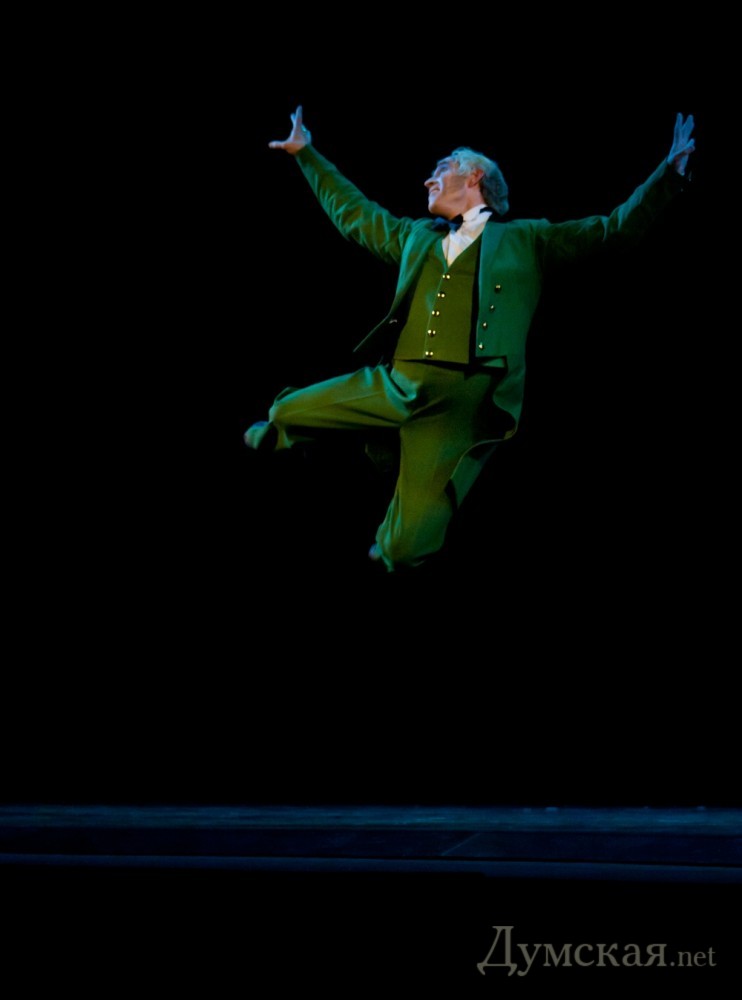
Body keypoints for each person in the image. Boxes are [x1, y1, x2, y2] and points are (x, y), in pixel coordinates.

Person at [245, 108, 695, 573]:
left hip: (461, 404)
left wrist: (668, 175)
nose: (428, 179)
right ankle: (284, 432)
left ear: (474, 176)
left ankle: (391, 542)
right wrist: (307, 154)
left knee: (405, 548)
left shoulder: (527, 239)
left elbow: (611, 231)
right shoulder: (415, 235)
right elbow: (355, 213)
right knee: (284, 413)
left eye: (440, 168)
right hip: (401, 382)